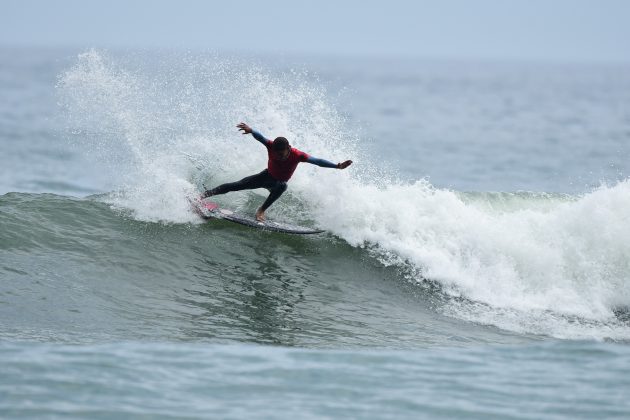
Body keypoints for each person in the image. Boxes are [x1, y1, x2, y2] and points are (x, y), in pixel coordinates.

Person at [201, 122, 352, 221]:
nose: (279, 156)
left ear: (288, 148)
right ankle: (202, 196)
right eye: (277, 153)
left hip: (278, 184)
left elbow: (318, 161)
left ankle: (261, 210)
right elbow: (260, 137)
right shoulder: (271, 145)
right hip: (266, 176)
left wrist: (337, 166)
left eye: (282, 154)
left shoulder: (298, 155)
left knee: (282, 186)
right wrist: (251, 130)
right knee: (234, 185)